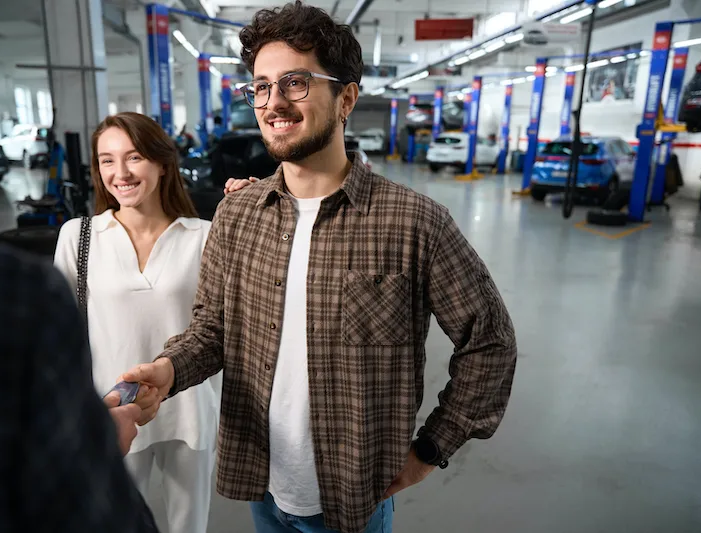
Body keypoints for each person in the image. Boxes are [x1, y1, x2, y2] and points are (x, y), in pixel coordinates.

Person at [122, 3, 518, 533]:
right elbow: (214, 331)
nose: (273, 103)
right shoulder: (237, 215)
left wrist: (430, 448)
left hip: (354, 496)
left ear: (346, 98)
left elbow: (490, 341)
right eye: (260, 87)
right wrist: (167, 371)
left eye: (296, 83)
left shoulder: (413, 222)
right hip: (263, 482)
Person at [53, 112, 250, 533]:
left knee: (189, 526)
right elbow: (59, 336)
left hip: (190, 408)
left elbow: (234, 318)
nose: (120, 173)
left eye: (134, 157)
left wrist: (253, 207)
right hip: (111, 409)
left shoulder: (204, 235)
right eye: (107, 160)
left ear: (163, 163)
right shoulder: (79, 237)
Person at [0, 222, 158, 533]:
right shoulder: (13, 294)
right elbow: (92, 514)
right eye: (107, 167)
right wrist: (91, 446)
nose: (121, 172)